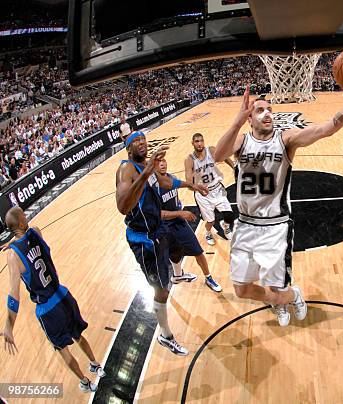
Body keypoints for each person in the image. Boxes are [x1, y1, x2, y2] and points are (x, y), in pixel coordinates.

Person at [213, 80, 343, 326]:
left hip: (274, 226)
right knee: (241, 289)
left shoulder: (285, 139)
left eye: (269, 109)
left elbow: (326, 129)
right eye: (259, 110)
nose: (267, 113)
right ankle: (283, 298)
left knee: (275, 287)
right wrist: (236, 122)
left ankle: (287, 298)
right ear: (249, 118)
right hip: (245, 224)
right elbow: (217, 156)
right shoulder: (242, 141)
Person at [115, 131, 208, 355]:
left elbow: (166, 181)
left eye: (143, 140)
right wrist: (147, 172)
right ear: (128, 148)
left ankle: (177, 274)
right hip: (144, 238)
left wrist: (190, 186)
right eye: (136, 141)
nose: (141, 143)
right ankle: (165, 336)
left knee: (178, 251)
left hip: (158, 229)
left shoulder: (149, 166)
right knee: (161, 290)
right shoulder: (126, 169)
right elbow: (123, 206)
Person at [1, 207, 105, 392]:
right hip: (63, 295)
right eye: (25, 215)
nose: (27, 216)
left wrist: (9, 324)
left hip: (47, 310)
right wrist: (15, 239)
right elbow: (27, 233)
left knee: (63, 349)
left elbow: (13, 294)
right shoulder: (37, 232)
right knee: (78, 335)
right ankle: (96, 364)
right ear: (23, 223)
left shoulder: (13, 256)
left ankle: (84, 382)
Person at [157, 158, 222, 291]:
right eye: (158, 162)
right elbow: (157, 213)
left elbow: (175, 197)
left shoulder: (171, 178)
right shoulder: (153, 188)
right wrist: (180, 213)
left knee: (198, 251)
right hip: (163, 226)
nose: (163, 164)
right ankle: (176, 276)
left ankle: (208, 277)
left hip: (178, 223)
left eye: (164, 160)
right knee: (170, 255)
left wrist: (179, 207)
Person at [184, 133, 235, 246]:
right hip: (203, 193)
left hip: (217, 189)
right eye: (197, 141)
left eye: (201, 140)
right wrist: (194, 185)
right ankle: (208, 232)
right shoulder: (190, 159)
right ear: (192, 143)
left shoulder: (211, 150)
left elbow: (225, 156)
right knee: (211, 220)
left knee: (229, 215)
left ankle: (225, 227)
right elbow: (188, 179)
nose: (199, 143)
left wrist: (234, 167)